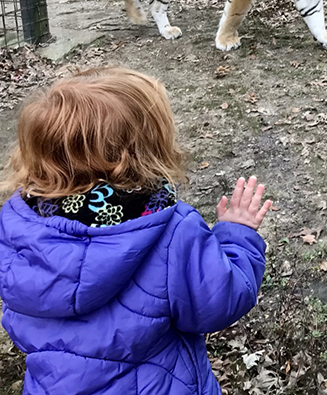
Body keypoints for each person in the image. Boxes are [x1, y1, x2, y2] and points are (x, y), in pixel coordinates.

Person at [0, 67, 271, 395]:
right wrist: (237, 235)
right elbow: (218, 303)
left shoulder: (17, 227)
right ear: (145, 152)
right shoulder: (171, 233)